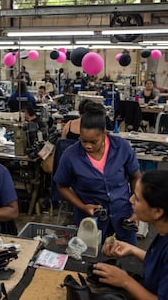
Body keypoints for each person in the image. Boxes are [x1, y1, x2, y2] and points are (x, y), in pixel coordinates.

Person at [54, 102, 141, 245]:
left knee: (126, 259)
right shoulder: (71, 155)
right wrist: (82, 206)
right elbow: (61, 186)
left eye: (94, 142)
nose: (88, 145)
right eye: (84, 140)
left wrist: (137, 205)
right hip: (91, 221)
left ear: (104, 134)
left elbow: (136, 177)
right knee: (91, 261)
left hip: (124, 216)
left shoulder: (121, 147)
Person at [93, 170, 168, 299]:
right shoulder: (163, 231)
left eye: (137, 198)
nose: (131, 200)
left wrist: (125, 281)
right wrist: (133, 250)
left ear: (157, 211)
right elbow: (160, 264)